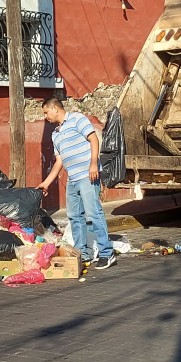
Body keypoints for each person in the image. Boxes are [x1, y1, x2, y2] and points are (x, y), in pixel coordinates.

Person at [38, 98, 116, 269]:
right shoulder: (55, 134)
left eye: (46, 112)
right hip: (73, 180)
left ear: (55, 109)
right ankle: (83, 253)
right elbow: (59, 162)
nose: (45, 117)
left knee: (93, 214)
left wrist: (93, 164)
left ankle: (106, 253)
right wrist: (46, 183)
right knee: (75, 217)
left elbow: (94, 140)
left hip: (88, 175)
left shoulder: (77, 119)